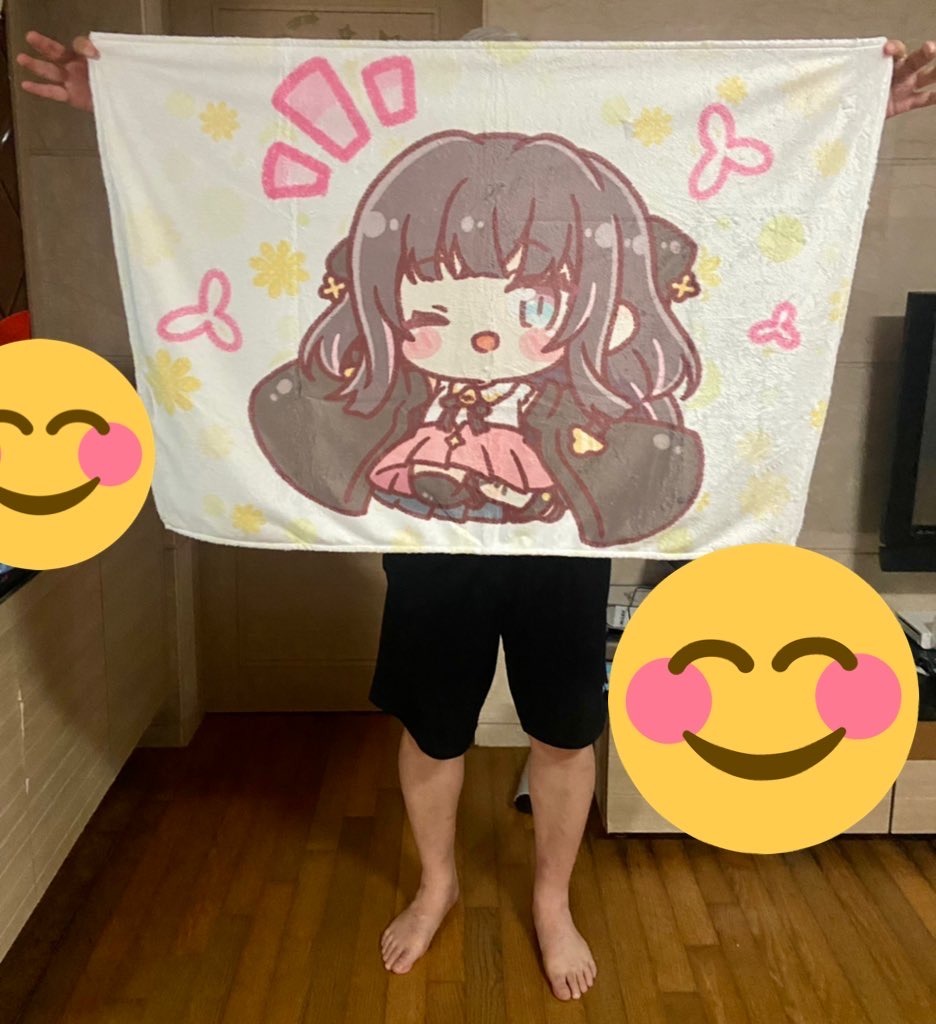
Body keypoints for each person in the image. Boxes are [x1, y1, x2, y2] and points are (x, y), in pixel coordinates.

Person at [16, 25, 936, 1003]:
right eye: (435, 308)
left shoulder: (603, 410)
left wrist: (845, 107)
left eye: (531, 304)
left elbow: (725, 274)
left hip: (560, 562)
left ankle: (551, 898)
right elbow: (247, 219)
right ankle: (438, 883)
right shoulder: (380, 395)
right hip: (431, 557)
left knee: (565, 734)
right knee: (434, 729)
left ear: (592, 300)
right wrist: (129, 107)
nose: (484, 333)